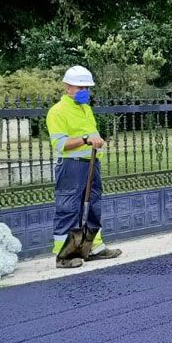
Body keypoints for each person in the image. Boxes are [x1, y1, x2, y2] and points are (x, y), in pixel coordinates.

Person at [46, 66, 122, 268]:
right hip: (71, 166)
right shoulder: (57, 112)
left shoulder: (85, 109)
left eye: (87, 88)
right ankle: (64, 255)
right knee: (69, 208)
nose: (85, 91)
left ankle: (93, 247)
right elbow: (60, 144)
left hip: (91, 163)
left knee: (93, 206)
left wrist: (95, 141)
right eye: (81, 87)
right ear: (67, 87)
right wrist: (87, 139)